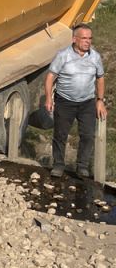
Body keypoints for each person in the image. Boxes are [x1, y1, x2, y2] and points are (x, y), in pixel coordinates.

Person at [44, 24, 107, 178]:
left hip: (87, 102)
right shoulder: (63, 55)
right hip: (65, 101)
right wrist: (48, 98)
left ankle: (82, 167)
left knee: (87, 135)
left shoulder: (95, 57)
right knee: (60, 134)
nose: (88, 41)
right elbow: (50, 77)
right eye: (84, 38)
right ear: (74, 39)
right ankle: (58, 165)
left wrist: (100, 100)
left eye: (90, 38)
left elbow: (100, 78)